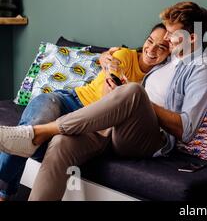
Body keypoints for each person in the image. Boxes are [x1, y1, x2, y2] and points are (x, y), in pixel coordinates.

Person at [0, 1, 207, 201]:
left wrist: (136, 100)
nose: (166, 40)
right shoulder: (165, 59)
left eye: (172, 34)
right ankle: (43, 137)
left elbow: (186, 129)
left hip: (149, 140)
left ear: (192, 38)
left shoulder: (201, 69)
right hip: (114, 127)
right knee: (61, 144)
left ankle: (37, 133)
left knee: (133, 92)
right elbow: (137, 55)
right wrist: (105, 58)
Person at [0, 23, 170, 201]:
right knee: (30, 127)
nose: (152, 49)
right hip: (70, 100)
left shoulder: (160, 77)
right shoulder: (125, 55)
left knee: (49, 138)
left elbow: (113, 109)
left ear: (169, 52)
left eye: (162, 47)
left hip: (95, 121)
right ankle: (3, 193)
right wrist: (111, 73)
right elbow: (111, 75)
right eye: (150, 41)